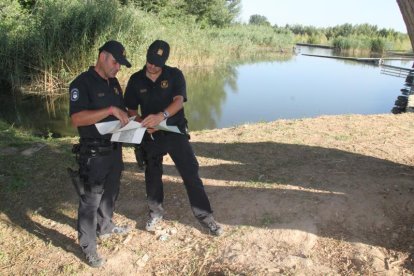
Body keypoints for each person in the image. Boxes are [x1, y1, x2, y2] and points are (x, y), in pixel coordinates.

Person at [124, 40, 223, 236]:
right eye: (150, 61)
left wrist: (161, 116)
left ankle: (205, 217)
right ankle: (155, 212)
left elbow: (178, 101)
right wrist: (144, 122)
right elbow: (131, 110)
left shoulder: (175, 75)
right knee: (152, 175)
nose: (152, 66)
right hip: (150, 135)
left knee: (190, 173)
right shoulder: (135, 80)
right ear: (146, 57)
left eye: (157, 63)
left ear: (165, 61)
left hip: (174, 131)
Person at [69, 40, 131, 267]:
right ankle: (88, 246)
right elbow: (76, 119)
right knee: (90, 200)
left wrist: (128, 122)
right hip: (93, 152)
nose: (118, 68)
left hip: (114, 148)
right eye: (116, 62)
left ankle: (105, 227)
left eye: (120, 64)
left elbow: (120, 112)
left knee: (111, 191)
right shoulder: (81, 83)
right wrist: (110, 110)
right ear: (103, 57)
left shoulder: (114, 84)